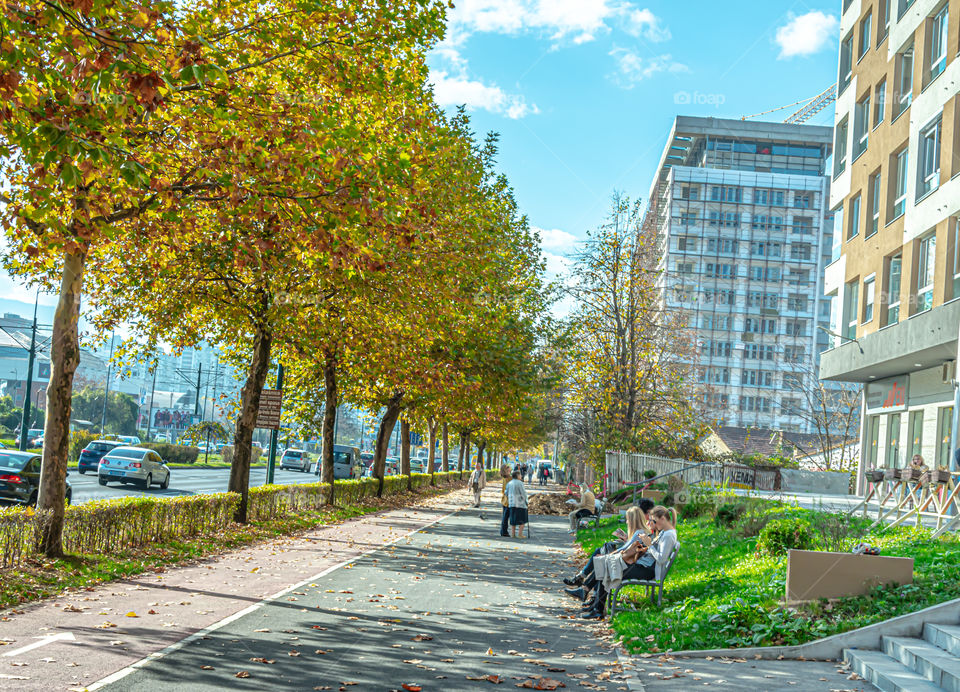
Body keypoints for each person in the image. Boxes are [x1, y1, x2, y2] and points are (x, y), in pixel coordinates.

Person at [581, 505, 678, 619]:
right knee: (607, 563)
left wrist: (649, 545)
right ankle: (595, 606)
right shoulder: (664, 532)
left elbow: (661, 559)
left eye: (653, 521)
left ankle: (596, 606)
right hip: (643, 565)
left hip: (647, 570)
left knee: (607, 565)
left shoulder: (668, 535)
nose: (652, 524)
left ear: (662, 519)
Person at [562, 500, 654, 591]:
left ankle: (585, 586)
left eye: (627, 519)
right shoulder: (640, 532)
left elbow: (625, 549)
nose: (626, 522)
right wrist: (626, 539)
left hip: (638, 566)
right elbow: (631, 548)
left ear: (633, 520)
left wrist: (607, 556)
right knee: (602, 557)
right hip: (634, 562)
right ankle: (588, 591)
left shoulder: (639, 532)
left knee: (604, 561)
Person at [506, 470, 529, 538]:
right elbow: (523, 493)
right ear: (518, 476)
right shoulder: (520, 483)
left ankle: (513, 534)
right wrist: (526, 501)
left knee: (513, 520)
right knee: (522, 520)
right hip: (520, 504)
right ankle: (520, 534)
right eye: (520, 475)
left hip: (512, 503)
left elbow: (506, 493)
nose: (521, 476)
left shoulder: (509, 483)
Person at [498, 463, 513, 537]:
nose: (510, 468)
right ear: (506, 470)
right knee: (506, 516)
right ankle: (504, 531)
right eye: (508, 467)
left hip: (505, 499)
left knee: (505, 516)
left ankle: (503, 530)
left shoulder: (505, 478)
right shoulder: (509, 478)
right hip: (508, 500)